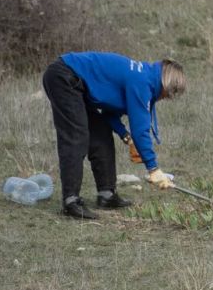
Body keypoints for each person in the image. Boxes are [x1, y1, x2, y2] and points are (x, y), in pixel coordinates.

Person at [42, 52, 186, 219]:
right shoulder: (142, 81)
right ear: (166, 82)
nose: (167, 97)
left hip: (82, 88)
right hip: (65, 76)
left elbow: (106, 109)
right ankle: (71, 202)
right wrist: (153, 169)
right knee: (76, 137)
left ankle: (107, 195)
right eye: (170, 92)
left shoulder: (144, 78)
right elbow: (141, 130)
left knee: (102, 136)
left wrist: (125, 136)